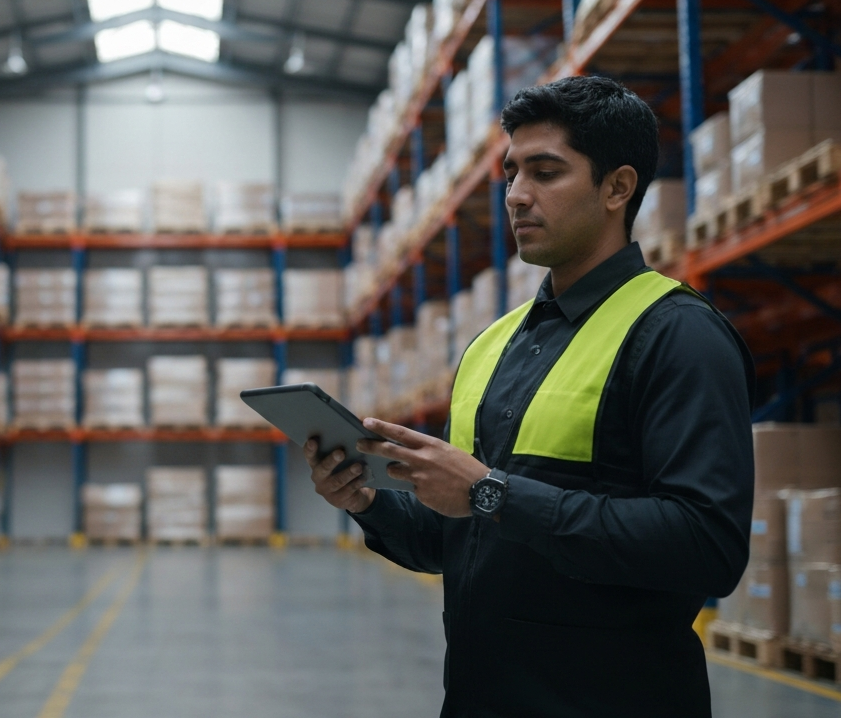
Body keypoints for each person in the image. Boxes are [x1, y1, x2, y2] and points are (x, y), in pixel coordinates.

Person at [308, 75, 754, 717]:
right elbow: (452, 540)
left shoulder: (676, 333)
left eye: (545, 172)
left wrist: (492, 492)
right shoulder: (492, 346)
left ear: (617, 188)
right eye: (512, 173)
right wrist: (369, 501)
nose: (517, 196)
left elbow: (707, 548)